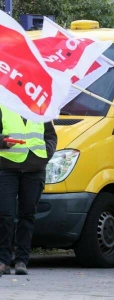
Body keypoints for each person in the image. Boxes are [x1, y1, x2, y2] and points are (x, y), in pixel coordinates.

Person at [0, 105, 57, 276]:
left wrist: (45, 155)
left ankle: (21, 261)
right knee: (5, 215)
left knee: (27, 215)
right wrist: (2, 141)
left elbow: (51, 137)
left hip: (34, 169)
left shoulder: (41, 109)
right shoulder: (4, 106)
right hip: (7, 168)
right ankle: (3, 260)